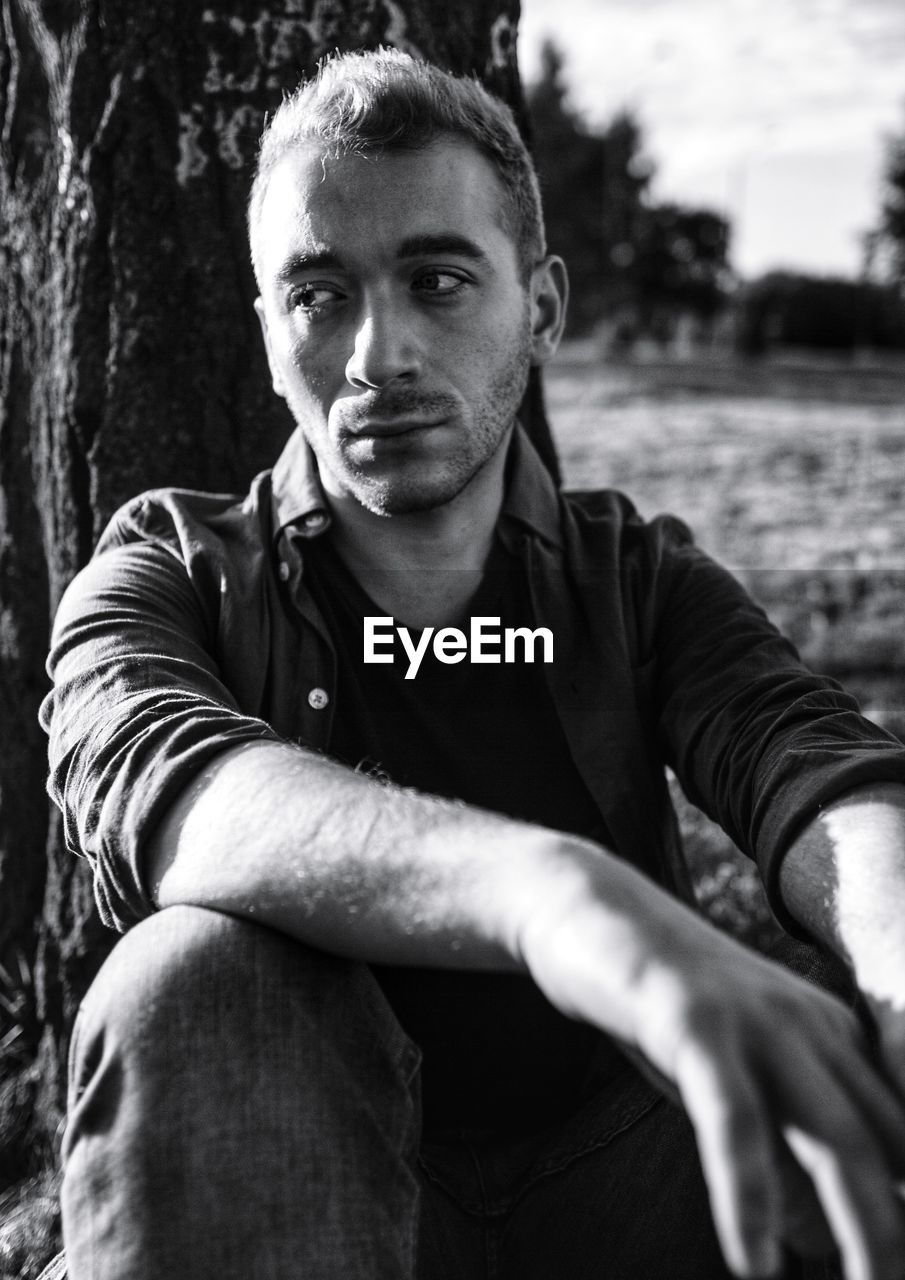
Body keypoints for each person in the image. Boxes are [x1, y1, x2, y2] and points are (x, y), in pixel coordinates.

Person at [41, 47, 905, 1280]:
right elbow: (171, 789)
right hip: (312, 1181)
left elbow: (806, 756)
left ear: (539, 307)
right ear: (267, 327)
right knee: (188, 981)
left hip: (632, 1173)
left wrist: (895, 960)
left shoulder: (638, 575)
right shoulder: (164, 569)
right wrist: (555, 894)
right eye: (318, 294)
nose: (375, 354)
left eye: (438, 279)